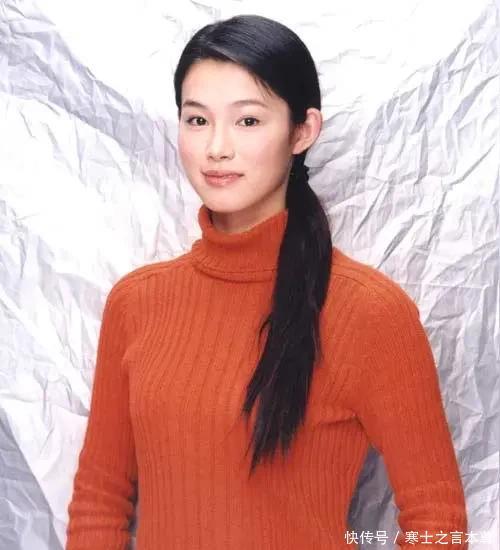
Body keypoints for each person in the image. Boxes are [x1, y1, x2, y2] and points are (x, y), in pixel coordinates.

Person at [65, 14, 468, 550]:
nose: (217, 147)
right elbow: (99, 498)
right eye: (197, 119)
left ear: (303, 131)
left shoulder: (369, 312)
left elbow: (437, 518)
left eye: (248, 121)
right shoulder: (136, 303)